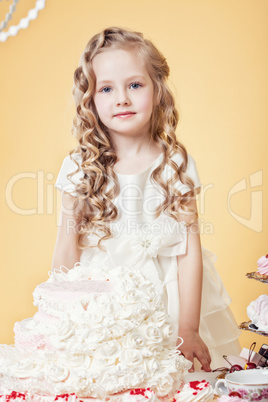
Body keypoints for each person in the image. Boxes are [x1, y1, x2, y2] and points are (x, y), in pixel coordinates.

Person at [52, 26, 241, 372]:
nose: (121, 98)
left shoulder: (175, 164)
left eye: (135, 85)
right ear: (91, 99)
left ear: (157, 91)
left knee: (173, 381)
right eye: (106, 88)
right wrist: (60, 314)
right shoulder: (81, 167)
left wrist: (188, 327)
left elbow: (189, 251)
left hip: (168, 299)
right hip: (101, 301)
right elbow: (66, 248)